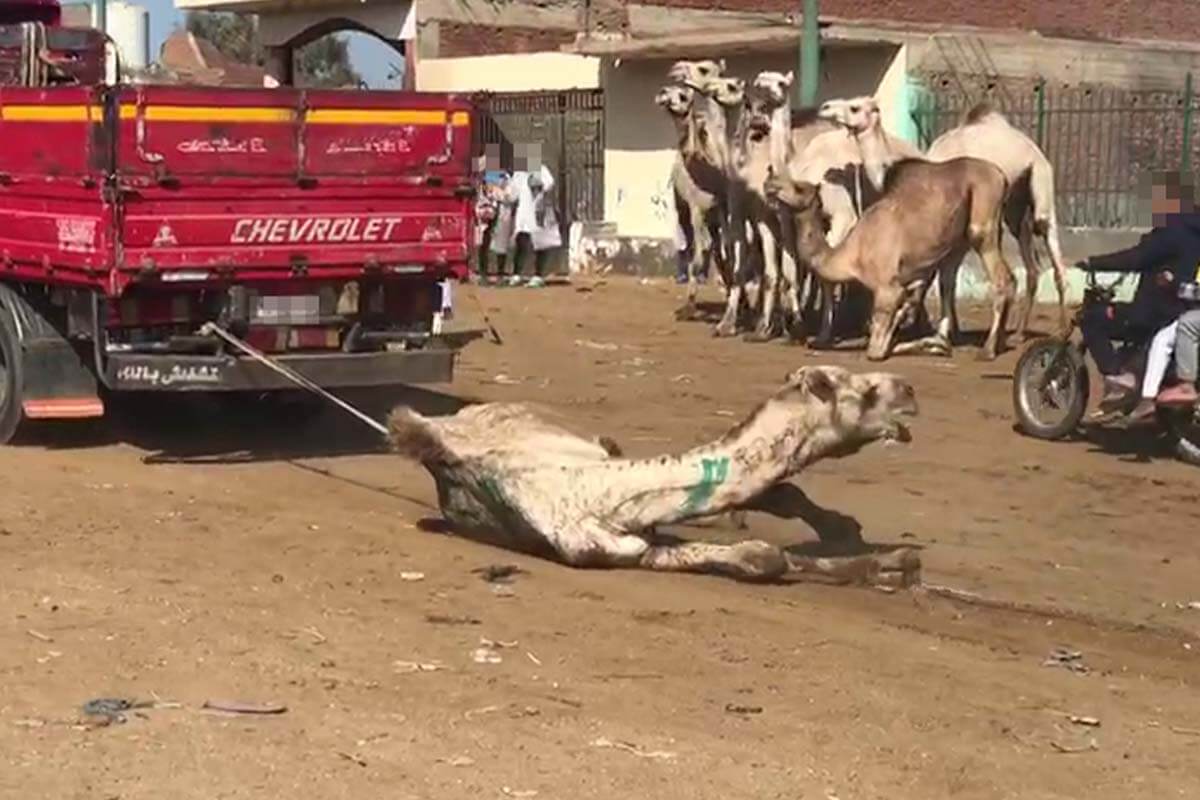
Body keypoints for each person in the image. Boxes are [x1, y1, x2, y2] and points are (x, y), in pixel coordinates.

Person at [1076, 171, 1200, 409]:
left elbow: (1137, 258)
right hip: (1182, 305)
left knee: (1092, 317)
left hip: (1155, 311)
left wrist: (1094, 262)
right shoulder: (1192, 229)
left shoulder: (1173, 229)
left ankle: (1119, 377)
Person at [507, 143, 555, 287]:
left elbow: (549, 184)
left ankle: (538, 275)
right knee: (521, 243)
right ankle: (517, 274)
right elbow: (512, 194)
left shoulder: (541, 170)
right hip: (523, 215)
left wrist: (540, 187)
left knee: (539, 244)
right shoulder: (519, 174)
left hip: (537, 213)